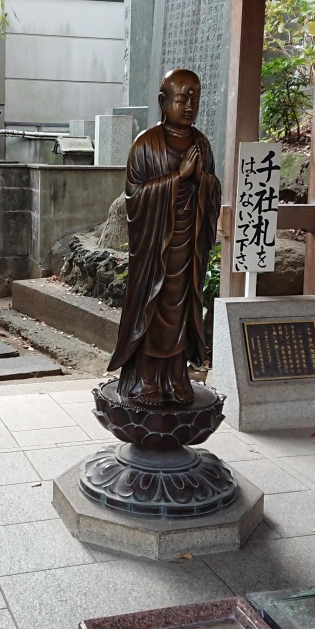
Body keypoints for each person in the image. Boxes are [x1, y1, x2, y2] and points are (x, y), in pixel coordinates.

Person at [108, 68, 221, 405]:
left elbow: (212, 189)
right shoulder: (146, 144)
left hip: (189, 247)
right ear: (163, 101)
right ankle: (146, 380)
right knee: (153, 308)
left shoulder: (201, 144)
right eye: (181, 99)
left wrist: (201, 180)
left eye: (195, 100)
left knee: (183, 310)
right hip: (155, 249)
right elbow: (134, 196)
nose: (189, 106)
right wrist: (177, 178)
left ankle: (175, 375)